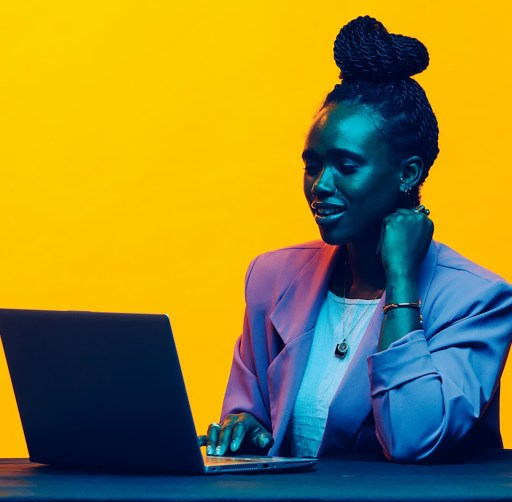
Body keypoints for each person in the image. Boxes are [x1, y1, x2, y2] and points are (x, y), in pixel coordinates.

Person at [198, 15, 512, 462]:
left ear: (408, 174)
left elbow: (413, 438)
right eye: (312, 165)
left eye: (345, 166)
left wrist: (401, 281)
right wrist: (245, 430)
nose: (320, 185)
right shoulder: (272, 277)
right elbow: (248, 416)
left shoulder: (477, 300)